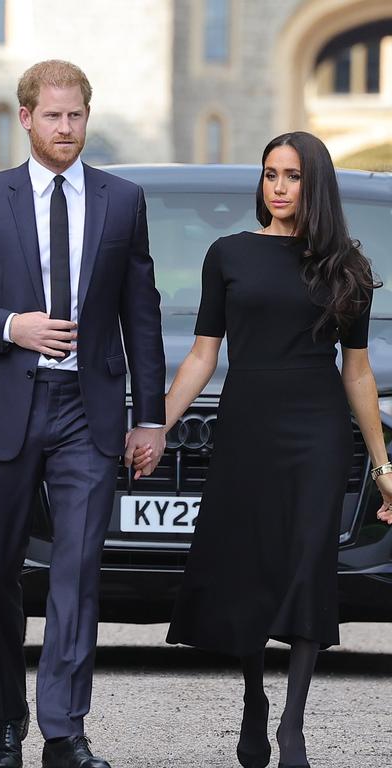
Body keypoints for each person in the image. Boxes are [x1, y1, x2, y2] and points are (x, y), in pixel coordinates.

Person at [0, 60, 165, 768]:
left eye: (77, 115)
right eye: (53, 115)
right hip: (5, 405)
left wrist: (147, 416)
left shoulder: (122, 201)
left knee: (77, 572)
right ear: (24, 118)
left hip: (87, 413)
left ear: (88, 117)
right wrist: (8, 326)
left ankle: (65, 732)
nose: (66, 128)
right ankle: (7, 718)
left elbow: (141, 316)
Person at [150, 131, 392, 768]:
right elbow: (204, 354)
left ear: (315, 186)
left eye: (291, 177)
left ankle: (293, 723)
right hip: (247, 424)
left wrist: (382, 462)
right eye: (269, 175)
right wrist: (160, 424)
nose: (278, 188)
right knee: (253, 564)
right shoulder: (228, 254)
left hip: (316, 430)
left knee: (309, 561)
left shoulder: (348, 268)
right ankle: (255, 697)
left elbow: (358, 372)